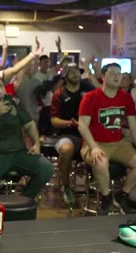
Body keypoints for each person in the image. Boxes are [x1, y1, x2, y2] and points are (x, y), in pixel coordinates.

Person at [78, 63, 136, 215]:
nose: (117, 76)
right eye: (112, 73)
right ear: (103, 77)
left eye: (119, 73)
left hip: (118, 143)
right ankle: (105, 198)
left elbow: (134, 125)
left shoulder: (125, 97)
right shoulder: (90, 97)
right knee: (100, 161)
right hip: (94, 143)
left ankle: (122, 194)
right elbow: (82, 126)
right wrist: (94, 147)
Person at [0, 74, 53, 199]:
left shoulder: (14, 103)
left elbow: (30, 125)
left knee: (46, 169)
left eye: (1, 86)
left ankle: (24, 200)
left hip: (20, 153)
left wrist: (36, 144)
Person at [50, 64, 95, 204]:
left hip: (89, 134)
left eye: (77, 72)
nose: (75, 74)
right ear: (65, 76)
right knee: (66, 150)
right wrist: (71, 123)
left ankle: (97, 187)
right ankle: (67, 187)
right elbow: (54, 121)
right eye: (71, 72)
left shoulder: (88, 91)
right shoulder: (59, 94)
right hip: (68, 134)